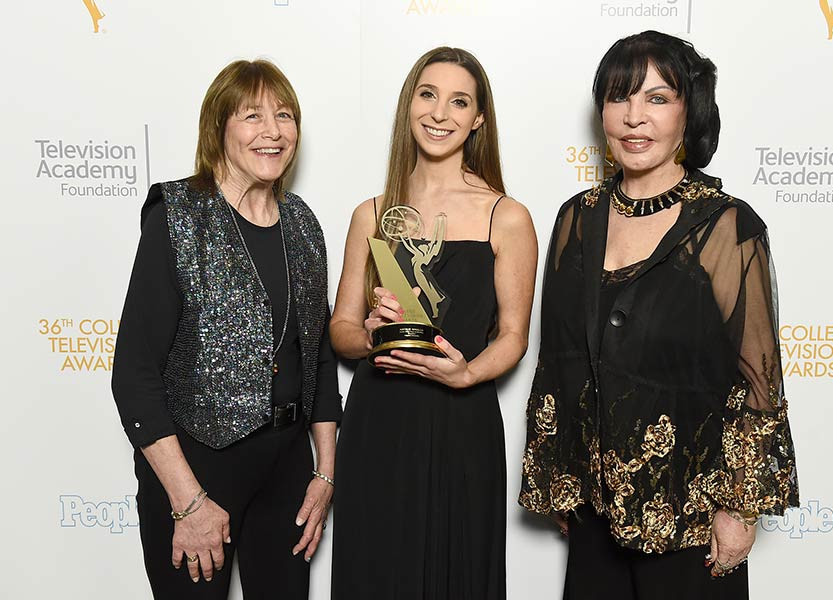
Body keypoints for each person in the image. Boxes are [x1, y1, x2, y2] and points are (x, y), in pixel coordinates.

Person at [518, 31, 799, 599]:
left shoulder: (726, 226)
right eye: (620, 98)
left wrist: (741, 508)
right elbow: (559, 364)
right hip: (596, 512)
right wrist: (557, 478)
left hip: (690, 519)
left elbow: (758, 382)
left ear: (688, 112)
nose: (633, 118)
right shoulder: (577, 217)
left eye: (656, 98)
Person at [111, 59, 340, 599]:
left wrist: (325, 472)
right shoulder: (179, 215)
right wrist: (188, 502)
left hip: (287, 470)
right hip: (194, 467)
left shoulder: (304, 222)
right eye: (252, 115)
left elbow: (320, 358)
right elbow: (134, 377)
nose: (273, 131)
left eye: (285, 115)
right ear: (219, 128)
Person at [329, 46, 538, 599]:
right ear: (408, 105)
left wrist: (468, 374)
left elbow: (513, 336)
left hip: (461, 424)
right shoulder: (370, 214)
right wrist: (372, 331)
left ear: (478, 121)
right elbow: (341, 331)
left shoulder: (506, 216)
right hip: (379, 423)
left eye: (459, 101)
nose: (440, 113)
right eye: (428, 95)